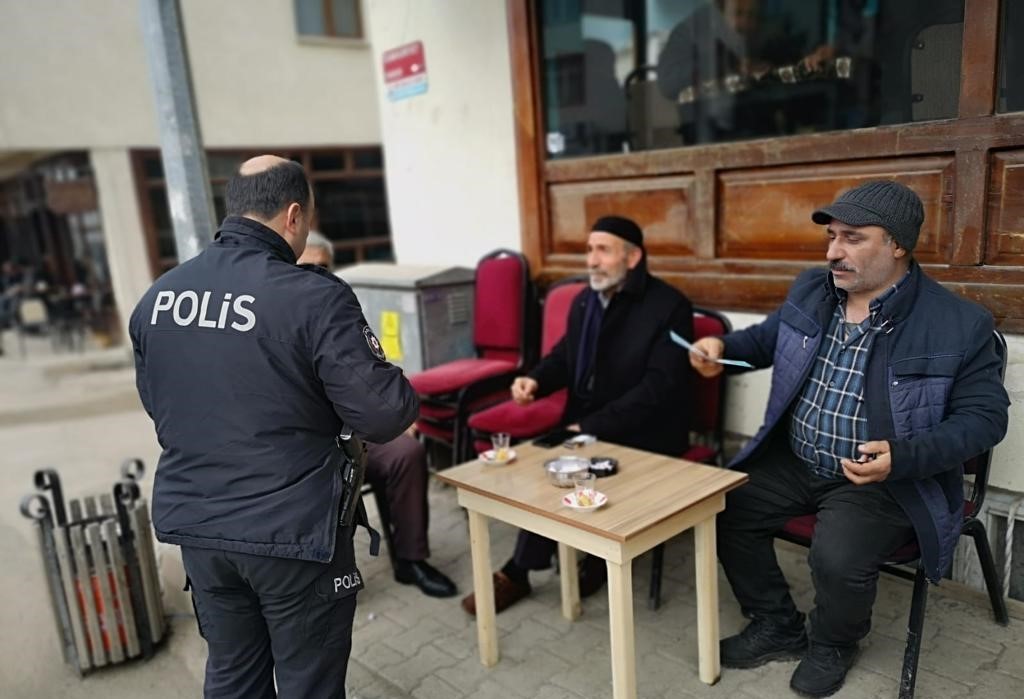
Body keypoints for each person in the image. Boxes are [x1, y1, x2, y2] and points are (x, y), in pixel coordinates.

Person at [689, 180, 1010, 698]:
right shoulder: (813, 290)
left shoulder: (957, 325)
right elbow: (768, 341)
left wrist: (904, 456)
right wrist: (719, 348)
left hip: (880, 478)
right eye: (832, 237)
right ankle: (776, 623)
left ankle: (835, 644)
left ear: (898, 245)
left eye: (853, 238)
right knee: (722, 509)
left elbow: (985, 419)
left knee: (836, 557)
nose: (834, 251)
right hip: (797, 459)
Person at [130, 155, 418, 699]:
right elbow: (386, 414)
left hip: (200, 531)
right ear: (293, 216)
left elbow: (159, 405)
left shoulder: (159, 298)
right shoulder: (313, 297)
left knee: (234, 677)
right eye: (306, 218)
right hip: (291, 535)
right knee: (309, 684)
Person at [461, 215, 695, 615]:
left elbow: (658, 389)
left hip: (644, 431)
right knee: (547, 464)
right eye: (589, 250)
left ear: (633, 256)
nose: (592, 260)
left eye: (602, 250)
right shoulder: (586, 300)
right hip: (586, 424)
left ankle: (544, 566)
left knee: (566, 463)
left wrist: (588, 428)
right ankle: (543, 563)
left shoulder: (669, 307)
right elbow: (566, 356)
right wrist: (534, 380)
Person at [297, 231, 457, 598]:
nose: (315, 276)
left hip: (350, 428)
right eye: (305, 267)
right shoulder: (276, 318)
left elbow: (371, 372)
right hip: (304, 439)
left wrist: (396, 417)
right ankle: (326, 578)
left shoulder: (336, 311)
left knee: (407, 452)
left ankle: (411, 560)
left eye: (323, 268)